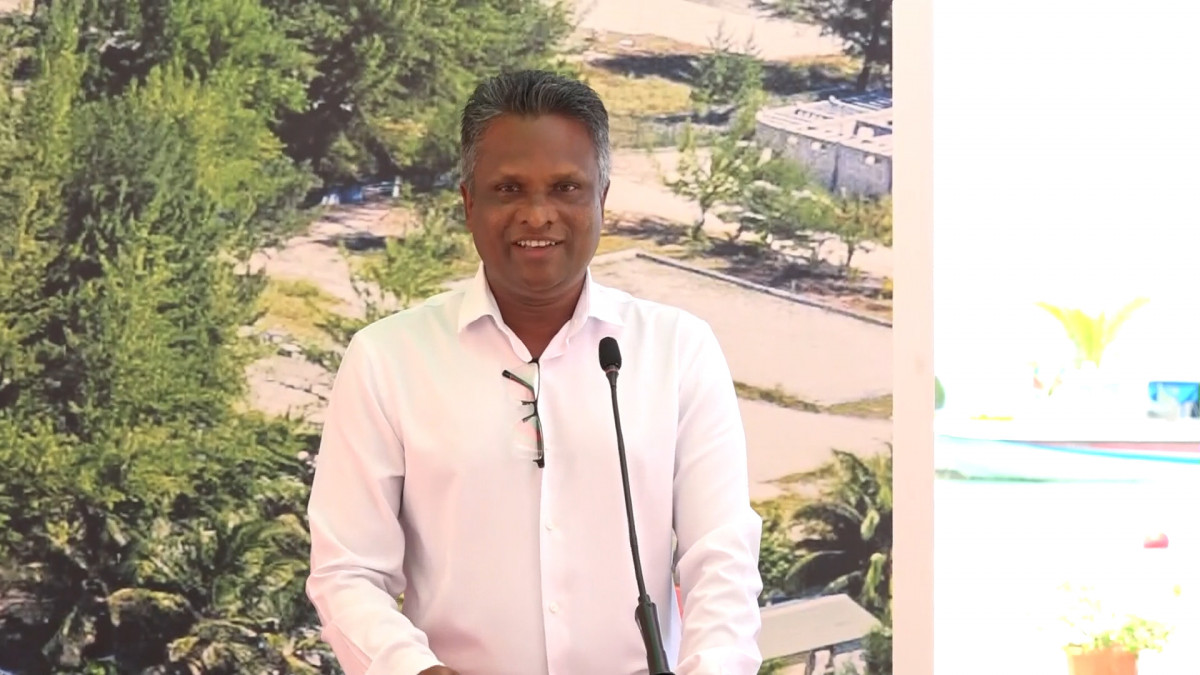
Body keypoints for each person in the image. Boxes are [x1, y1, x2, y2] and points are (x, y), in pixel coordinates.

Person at [305, 69, 763, 675]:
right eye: (509, 189)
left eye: (566, 188)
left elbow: (720, 557)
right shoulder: (387, 359)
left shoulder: (678, 349)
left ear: (602, 199)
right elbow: (348, 571)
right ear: (469, 203)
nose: (538, 214)